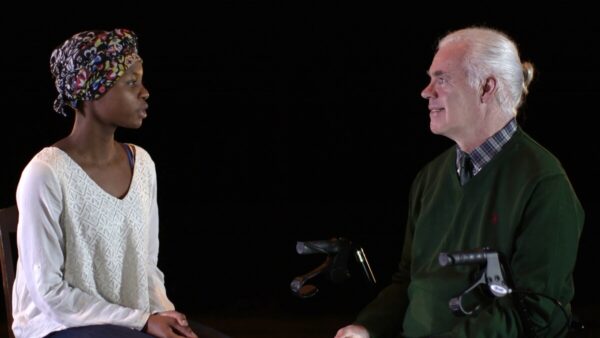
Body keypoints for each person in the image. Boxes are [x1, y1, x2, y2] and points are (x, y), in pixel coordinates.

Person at [334, 26, 584, 338]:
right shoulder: (430, 178)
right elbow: (409, 280)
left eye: (442, 78)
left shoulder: (544, 183)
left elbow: (539, 312)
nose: (426, 91)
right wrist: (367, 327)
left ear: (486, 88)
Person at [12, 29, 228, 338]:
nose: (145, 92)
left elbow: (147, 268)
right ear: (90, 89)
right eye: (131, 83)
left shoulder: (142, 164)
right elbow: (48, 293)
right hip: (58, 323)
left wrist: (164, 316)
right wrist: (141, 320)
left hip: (125, 319)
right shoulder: (45, 173)